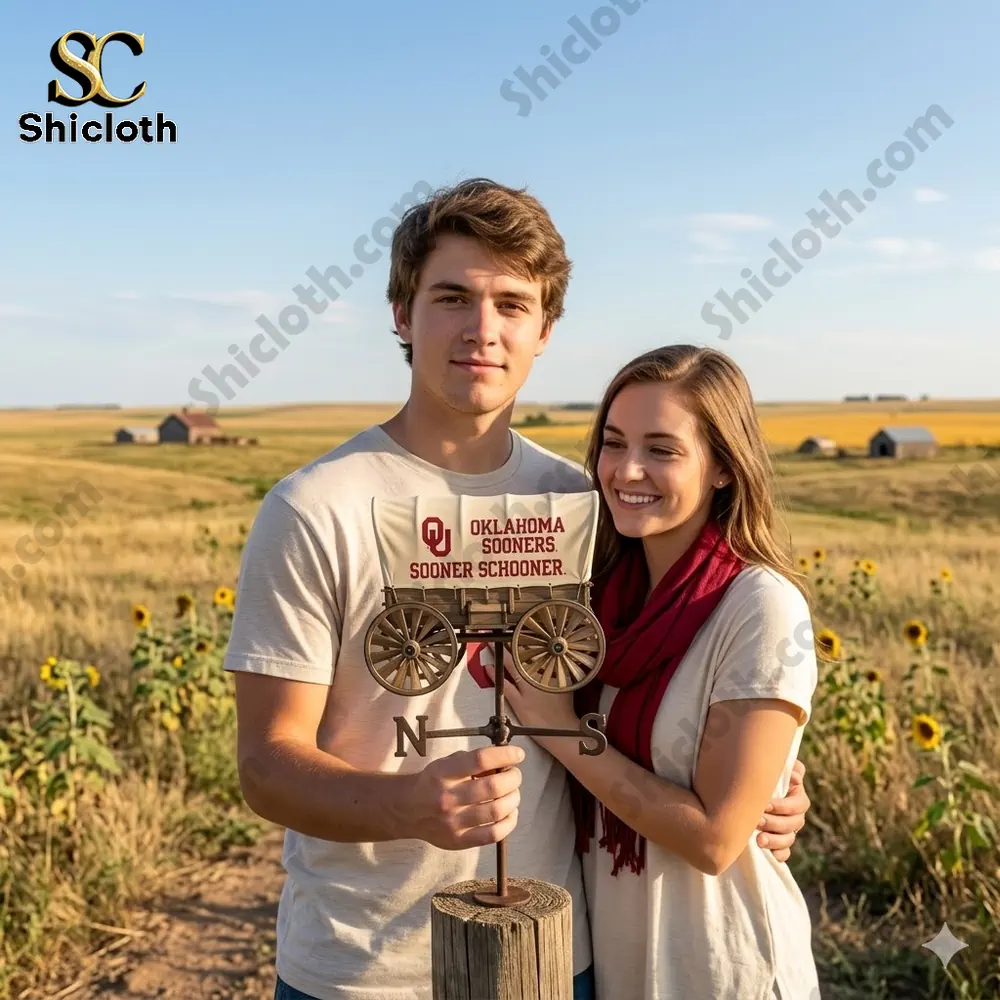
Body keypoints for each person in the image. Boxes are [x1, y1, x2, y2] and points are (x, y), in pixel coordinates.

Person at [224, 179, 812, 1000]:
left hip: (551, 954)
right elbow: (267, 767)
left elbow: (660, 664)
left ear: (545, 329)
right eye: (452, 297)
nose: (482, 330)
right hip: (365, 968)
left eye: (511, 303)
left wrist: (769, 785)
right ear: (401, 312)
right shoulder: (315, 507)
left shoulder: (585, 503)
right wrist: (409, 805)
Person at [491, 345, 821, 999]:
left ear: (723, 467)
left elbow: (714, 840)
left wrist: (563, 734)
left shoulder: (759, 607)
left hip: (724, 968)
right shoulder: (601, 600)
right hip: (621, 964)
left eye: (662, 450)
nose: (626, 469)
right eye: (613, 443)